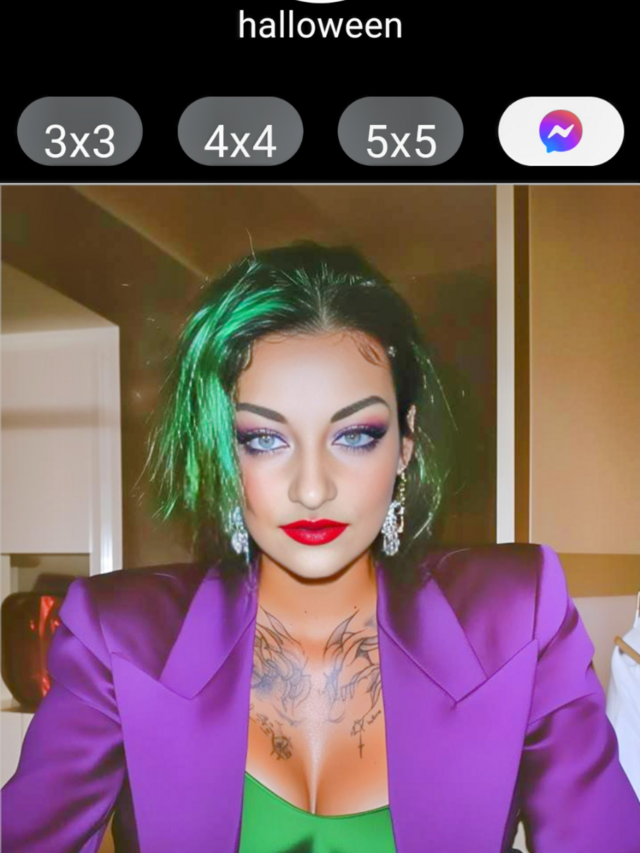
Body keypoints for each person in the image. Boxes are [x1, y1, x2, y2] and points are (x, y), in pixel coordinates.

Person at [2, 242, 639, 853]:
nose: (312, 488)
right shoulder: (121, 636)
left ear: (406, 442)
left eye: (355, 435)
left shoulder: (516, 618)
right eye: (265, 439)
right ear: (224, 451)